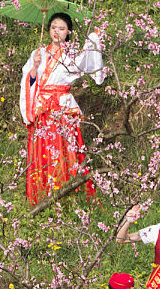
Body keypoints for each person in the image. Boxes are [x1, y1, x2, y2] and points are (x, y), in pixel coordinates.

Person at [19, 13, 104, 205]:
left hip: (63, 107)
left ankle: (69, 196)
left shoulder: (71, 54)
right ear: (48, 29)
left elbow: (86, 60)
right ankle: (42, 194)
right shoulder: (38, 53)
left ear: (68, 32)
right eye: (53, 27)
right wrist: (34, 68)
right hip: (42, 107)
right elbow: (29, 80)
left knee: (65, 148)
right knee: (42, 149)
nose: (57, 32)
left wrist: (93, 39)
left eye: (62, 28)